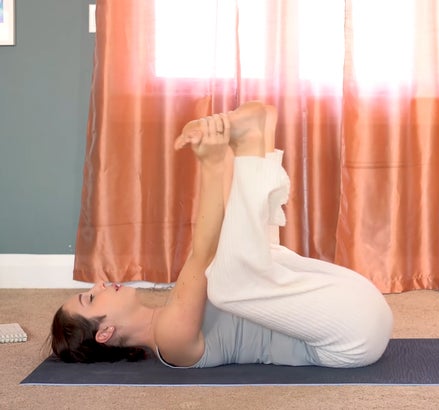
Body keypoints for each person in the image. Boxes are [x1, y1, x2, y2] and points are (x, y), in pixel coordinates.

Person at [50, 101, 393, 368]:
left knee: (240, 259)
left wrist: (220, 152)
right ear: (105, 332)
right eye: (90, 299)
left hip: (355, 304)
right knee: (228, 283)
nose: (96, 286)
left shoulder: (172, 306)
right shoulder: (169, 343)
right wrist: (213, 164)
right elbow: (204, 252)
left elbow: (218, 241)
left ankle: (253, 143)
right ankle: (254, 142)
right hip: (349, 339)